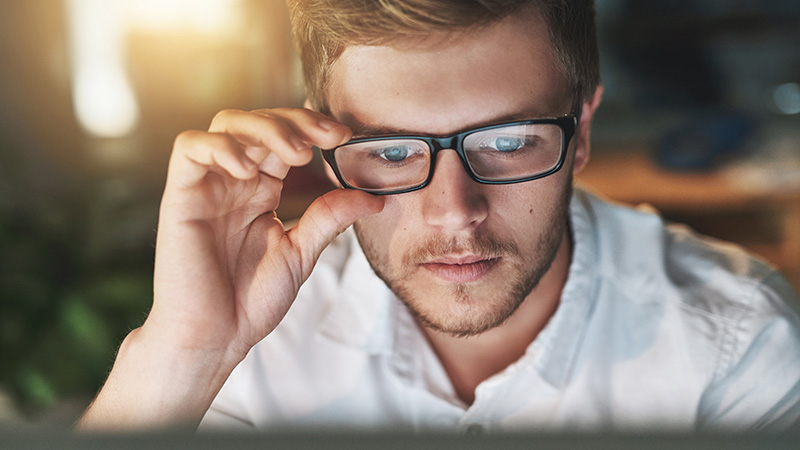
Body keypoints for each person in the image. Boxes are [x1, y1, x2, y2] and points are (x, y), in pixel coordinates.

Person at [78, 0, 800, 433]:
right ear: (322, 148)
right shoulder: (258, 343)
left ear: (580, 132)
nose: (455, 212)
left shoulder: (737, 351)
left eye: (510, 141)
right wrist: (184, 357)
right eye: (391, 152)